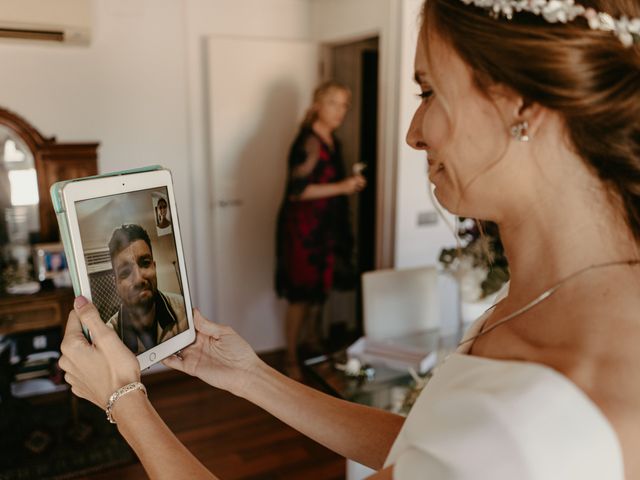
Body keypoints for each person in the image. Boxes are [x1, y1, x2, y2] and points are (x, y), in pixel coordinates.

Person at [59, 0, 640, 477]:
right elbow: (423, 449)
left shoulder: (529, 424)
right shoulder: (545, 303)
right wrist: (249, 375)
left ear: (522, 103)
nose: (413, 133)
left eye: (428, 91)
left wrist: (122, 401)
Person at [275, 81, 366, 377]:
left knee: (319, 290)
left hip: (324, 227)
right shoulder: (309, 141)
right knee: (301, 295)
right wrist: (343, 187)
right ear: (318, 105)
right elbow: (296, 191)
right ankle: (291, 358)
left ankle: (312, 344)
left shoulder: (332, 139)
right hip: (303, 230)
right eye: (334, 103)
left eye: (345, 105)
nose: (341, 111)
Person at [107, 224, 188, 354]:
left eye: (145, 263)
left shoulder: (185, 311)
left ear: (154, 267)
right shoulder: (108, 339)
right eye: (125, 272)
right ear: (116, 283)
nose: (138, 279)